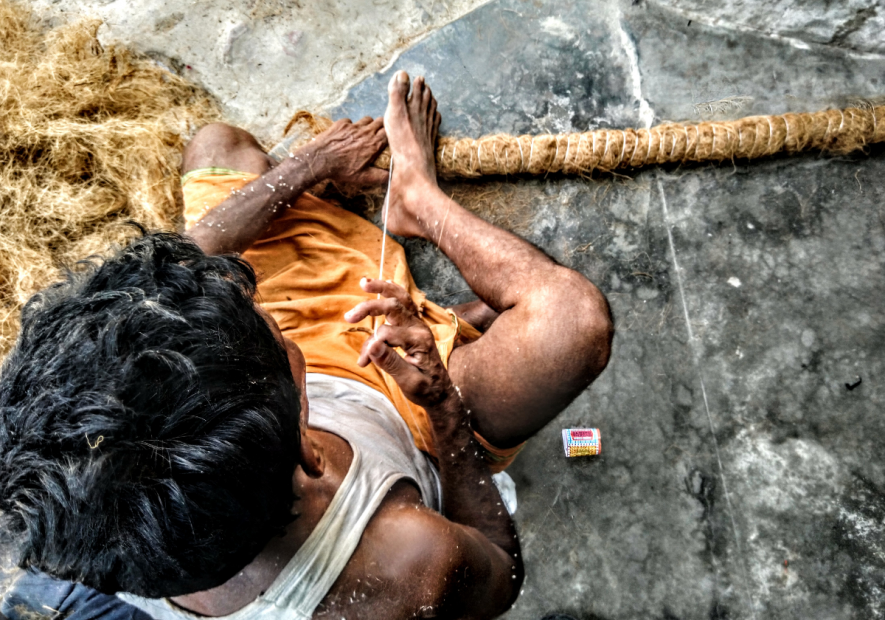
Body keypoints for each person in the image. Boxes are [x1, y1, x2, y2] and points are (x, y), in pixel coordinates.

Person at [0, 71, 612, 619]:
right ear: (312, 450)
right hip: (414, 412)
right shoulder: (408, 567)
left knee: (218, 148)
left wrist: (309, 165)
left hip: (262, 401)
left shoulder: (102, 524)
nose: (265, 311)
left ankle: (447, 314)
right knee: (572, 325)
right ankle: (419, 204)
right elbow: (500, 570)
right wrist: (445, 410)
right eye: (276, 333)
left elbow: (185, 265)